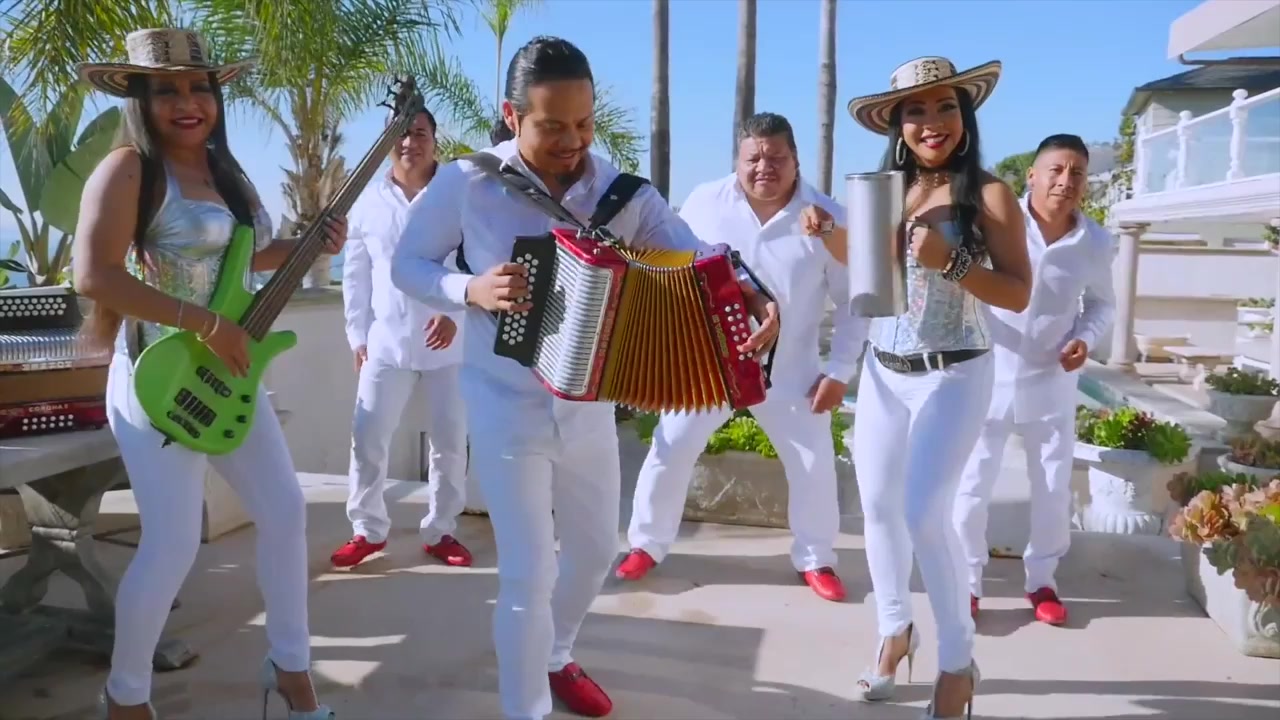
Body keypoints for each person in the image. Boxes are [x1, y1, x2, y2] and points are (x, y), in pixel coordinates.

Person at [390, 35, 779, 720]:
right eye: (552, 126)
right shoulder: (468, 182)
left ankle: (555, 653)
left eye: (584, 122)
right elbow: (408, 265)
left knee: (597, 551)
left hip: (588, 405)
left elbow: (698, 255)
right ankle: (527, 708)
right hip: (504, 404)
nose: (573, 141)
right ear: (512, 117)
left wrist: (749, 287)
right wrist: (468, 289)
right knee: (527, 572)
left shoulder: (622, 193)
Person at [72, 28, 345, 720]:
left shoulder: (227, 173)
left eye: (200, 88)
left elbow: (241, 257)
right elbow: (93, 275)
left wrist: (309, 243)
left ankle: (292, 672)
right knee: (171, 546)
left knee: (284, 512)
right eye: (167, 91)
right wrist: (203, 323)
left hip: (227, 373)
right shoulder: (128, 169)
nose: (188, 103)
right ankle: (125, 699)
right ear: (140, 99)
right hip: (157, 377)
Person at [841, 57, 1032, 719]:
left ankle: (957, 663)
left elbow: (1018, 292)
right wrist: (831, 235)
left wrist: (951, 261)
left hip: (955, 370)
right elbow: (867, 273)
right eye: (916, 111)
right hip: (883, 370)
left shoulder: (991, 194)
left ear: (965, 115)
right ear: (896, 124)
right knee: (876, 507)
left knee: (925, 512)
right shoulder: (885, 192)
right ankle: (895, 631)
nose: (932, 122)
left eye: (945, 107)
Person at [616, 112, 867, 603]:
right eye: (753, 158)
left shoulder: (828, 217)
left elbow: (855, 301)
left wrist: (839, 371)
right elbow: (675, 267)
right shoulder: (704, 201)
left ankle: (816, 558)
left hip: (791, 370)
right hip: (707, 364)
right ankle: (646, 544)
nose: (763, 167)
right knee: (671, 447)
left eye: (776, 157)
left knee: (813, 463)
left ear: (795, 160)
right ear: (737, 159)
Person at [954, 134, 1115, 626]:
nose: (1066, 181)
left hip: (1051, 379)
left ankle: (1042, 581)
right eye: (1056, 170)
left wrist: (1085, 338)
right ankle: (967, 582)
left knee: (1052, 486)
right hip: (989, 372)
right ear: (1032, 175)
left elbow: (1102, 304)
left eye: (1077, 173)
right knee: (971, 484)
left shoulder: (1095, 242)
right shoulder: (996, 223)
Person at [332, 107, 472, 569]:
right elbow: (356, 274)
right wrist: (357, 337)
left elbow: (473, 260)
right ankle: (367, 530)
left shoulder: (456, 195)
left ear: (435, 140)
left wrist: (455, 312)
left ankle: (442, 530)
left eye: (420, 133)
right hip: (385, 343)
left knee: (449, 442)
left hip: (448, 345)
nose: (411, 142)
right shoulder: (368, 202)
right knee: (368, 436)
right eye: (402, 133)